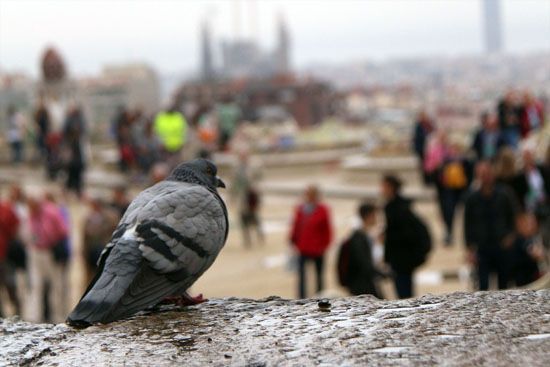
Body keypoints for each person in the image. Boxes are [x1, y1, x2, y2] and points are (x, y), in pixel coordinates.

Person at [464, 162, 518, 291]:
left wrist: (511, 236)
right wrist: (470, 249)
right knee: (482, 286)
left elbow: (513, 217)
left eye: (487, 174)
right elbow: (467, 224)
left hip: (502, 245)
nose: (486, 177)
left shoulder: (504, 194)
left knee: (504, 285)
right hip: (482, 247)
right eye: (482, 174)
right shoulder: (472, 198)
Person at [381, 175, 429, 298]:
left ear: (391, 188)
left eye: (384, 186)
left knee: (404, 293)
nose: (381, 190)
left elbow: (402, 233)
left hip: (401, 258)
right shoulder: (398, 206)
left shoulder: (396, 208)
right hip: (402, 258)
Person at [27, 195, 68, 322]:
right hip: (37, 251)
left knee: (55, 283)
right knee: (39, 283)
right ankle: (42, 313)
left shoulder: (51, 211)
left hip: (51, 251)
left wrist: (51, 238)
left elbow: (63, 231)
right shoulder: (32, 213)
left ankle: (58, 314)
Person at [289, 186, 333, 298]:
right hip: (303, 248)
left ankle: (320, 298)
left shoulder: (323, 210)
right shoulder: (300, 209)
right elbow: (296, 226)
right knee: (302, 277)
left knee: (319, 276)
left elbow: (327, 230)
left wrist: (324, 245)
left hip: (318, 249)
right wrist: (293, 240)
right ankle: (301, 298)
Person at [342, 203, 385, 298]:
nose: (377, 218)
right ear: (369, 216)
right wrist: (382, 273)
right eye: (375, 215)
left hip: (363, 282)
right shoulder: (359, 237)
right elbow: (364, 262)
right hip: (362, 284)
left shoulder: (365, 234)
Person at [438, 142, 472, 245]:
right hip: (449, 190)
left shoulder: (465, 161)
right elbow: (440, 176)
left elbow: (470, 175)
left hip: (462, 190)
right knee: (449, 212)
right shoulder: (446, 161)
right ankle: (449, 233)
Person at [231, 151, 264, 248]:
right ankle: (247, 239)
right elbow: (233, 184)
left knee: (254, 217)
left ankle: (259, 233)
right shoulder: (236, 169)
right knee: (242, 218)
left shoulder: (254, 167)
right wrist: (232, 196)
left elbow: (259, 179)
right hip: (241, 198)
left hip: (251, 196)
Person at [83, 197, 118, 284]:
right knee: (90, 277)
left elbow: (114, 230)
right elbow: (85, 235)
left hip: (104, 249)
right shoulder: (89, 217)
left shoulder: (110, 216)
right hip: (91, 249)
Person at [0, 196, 20, 317]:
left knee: (10, 285)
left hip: (6, 255)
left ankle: (17, 310)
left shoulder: (6, 209)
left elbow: (16, 225)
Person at [63, 105, 87, 198]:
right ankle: (69, 191)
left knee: (78, 173)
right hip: (71, 155)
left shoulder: (80, 121)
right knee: (70, 173)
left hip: (78, 156)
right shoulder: (68, 121)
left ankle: (78, 191)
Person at [412, 110, 434, 184]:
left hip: (430, 149)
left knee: (430, 165)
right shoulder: (419, 125)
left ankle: (430, 179)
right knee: (424, 165)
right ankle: (426, 180)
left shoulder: (428, 124)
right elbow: (418, 137)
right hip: (422, 149)